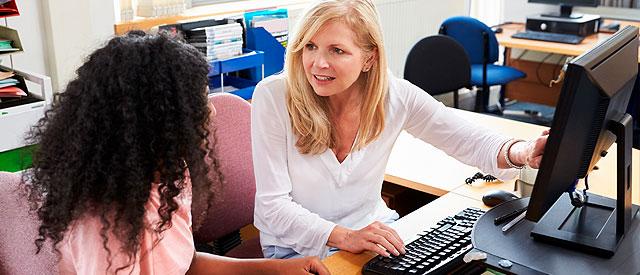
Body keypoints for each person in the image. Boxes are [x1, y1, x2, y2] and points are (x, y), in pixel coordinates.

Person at [251, 0, 548, 259]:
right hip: (296, 248)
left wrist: (522, 152)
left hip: (373, 232)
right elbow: (272, 208)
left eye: (337, 50)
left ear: (369, 58)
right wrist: (344, 236)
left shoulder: (393, 96)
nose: (318, 63)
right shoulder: (275, 97)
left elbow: (466, 138)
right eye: (310, 46)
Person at [22, 31, 329, 275]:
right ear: (154, 117)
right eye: (195, 101)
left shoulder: (169, 174)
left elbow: (185, 265)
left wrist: (276, 269)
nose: (209, 109)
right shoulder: (101, 223)